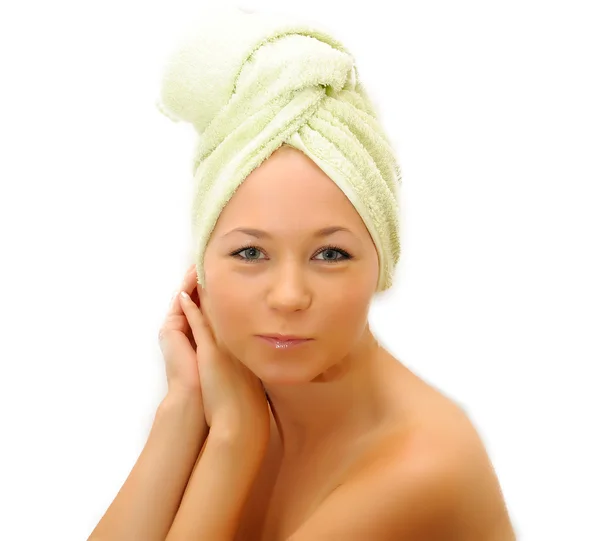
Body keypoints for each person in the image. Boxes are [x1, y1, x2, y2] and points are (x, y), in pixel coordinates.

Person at [88, 7, 516, 541]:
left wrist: (236, 440)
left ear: (382, 264)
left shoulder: (422, 465)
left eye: (330, 255)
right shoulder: (223, 393)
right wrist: (180, 412)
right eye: (249, 254)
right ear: (199, 273)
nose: (289, 297)